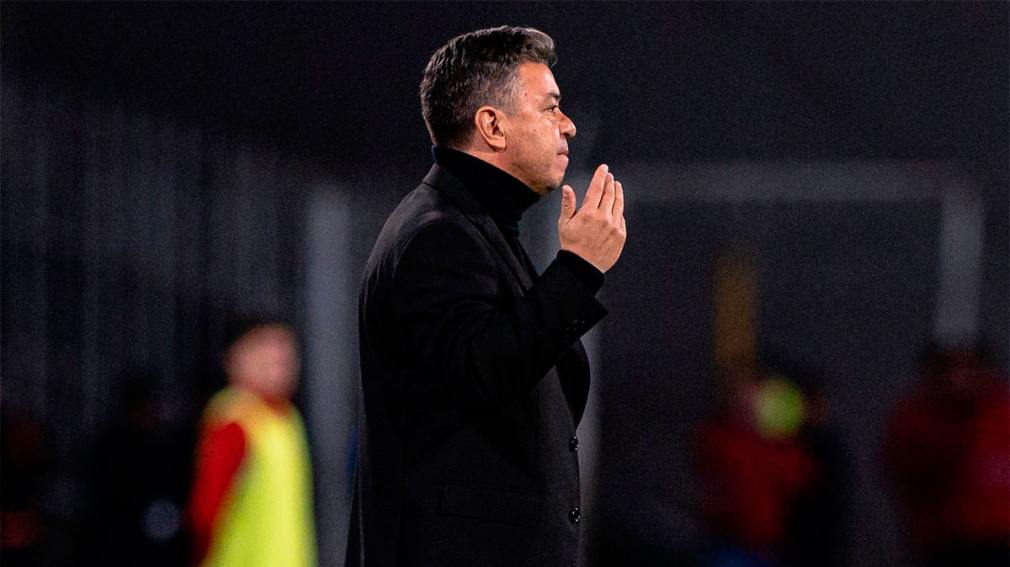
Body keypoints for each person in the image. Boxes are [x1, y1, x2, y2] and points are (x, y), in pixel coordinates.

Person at [348, 26, 627, 567]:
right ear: (492, 126)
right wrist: (577, 270)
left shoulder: (477, 227)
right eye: (550, 107)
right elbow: (486, 370)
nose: (567, 124)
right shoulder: (438, 235)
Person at [188, 317, 317, 567]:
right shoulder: (235, 418)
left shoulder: (288, 419)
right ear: (235, 357)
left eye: (284, 351)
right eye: (264, 348)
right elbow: (205, 513)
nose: (277, 358)